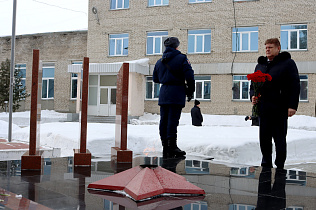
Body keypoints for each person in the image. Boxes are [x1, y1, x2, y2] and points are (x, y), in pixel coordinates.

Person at [250, 38, 300, 169]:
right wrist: (253, 96)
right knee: (264, 138)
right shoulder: (260, 65)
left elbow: (295, 85)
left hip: (280, 107)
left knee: (279, 138)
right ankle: (266, 162)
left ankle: (280, 164)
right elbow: (253, 85)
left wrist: (292, 106)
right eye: (266, 47)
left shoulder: (288, 63)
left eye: (270, 47)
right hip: (263, 108)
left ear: (278, 48)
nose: (267, 49)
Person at [153, 37, 195, 158]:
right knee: (172, 121)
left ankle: (165, 146)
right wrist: (190, 90)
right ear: (176, 46)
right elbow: (189, 76)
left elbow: (155, 79)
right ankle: (172, 147)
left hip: (164, 93)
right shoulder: (181, 58)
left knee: (164, 120)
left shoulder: (159, 61)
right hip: (176, 92)